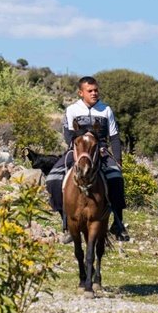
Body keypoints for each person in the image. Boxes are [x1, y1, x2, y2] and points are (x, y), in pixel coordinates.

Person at [46, 76, 129, 242]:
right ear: (80, 92)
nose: (94, 93)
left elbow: (114, 136)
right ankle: (67, 223)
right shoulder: (72, 110)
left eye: (96, 90)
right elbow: (68, 134)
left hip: (101, 151)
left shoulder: (106, 110)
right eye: (90, 91)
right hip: (77, 151)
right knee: (53, 179)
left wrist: (118, 160)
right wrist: (80, 146)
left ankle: (117, 223)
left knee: (116, 179)